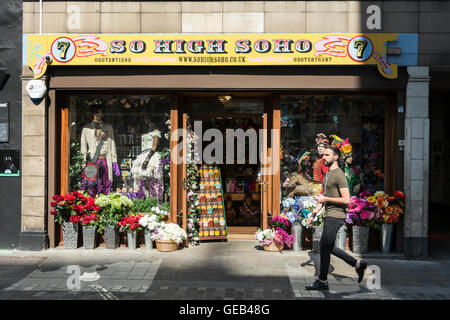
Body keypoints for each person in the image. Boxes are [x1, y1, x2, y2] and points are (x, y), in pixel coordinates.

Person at [305, 144, 367, 291]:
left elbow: (346, 199)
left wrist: (325, 199)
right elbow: (323, 197)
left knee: (324, 247)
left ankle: (323, 280)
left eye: (327, 155)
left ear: (336, 157)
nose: (323, 157)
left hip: (336, 216)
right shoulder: (327, 174)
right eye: (323, 155)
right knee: (327, 246)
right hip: (328, 215)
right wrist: (314, 213)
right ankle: (358, 265)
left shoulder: (339, 175)